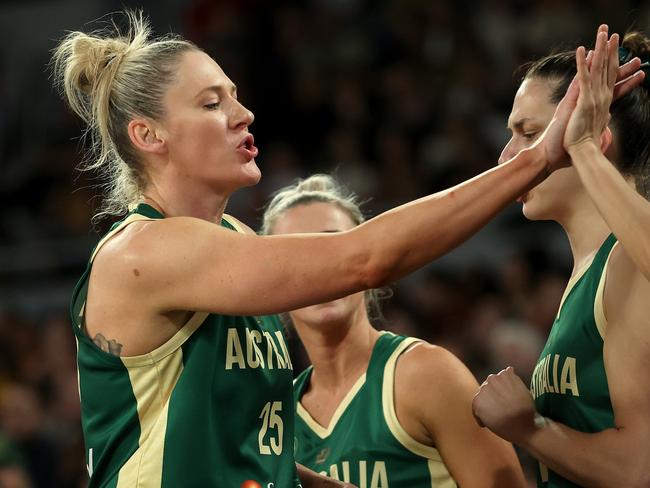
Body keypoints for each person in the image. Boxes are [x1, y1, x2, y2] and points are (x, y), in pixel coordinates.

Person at [51, 10, 639, 487]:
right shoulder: (145, 251)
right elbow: (367, 259)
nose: (243, 114)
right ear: (148, 135)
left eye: (234, 96)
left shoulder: (233, 241)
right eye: (211, 104)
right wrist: (539, 158)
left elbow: (251, 453)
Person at [262, 174, 527, 487]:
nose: (321, 270)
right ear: (273, 280)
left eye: (335, 248)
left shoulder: (426, 374)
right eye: (297, 254)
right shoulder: (277, 417)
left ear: (369, 263)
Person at [472, 27, 650, 487]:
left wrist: (527, 428)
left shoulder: (626, 263)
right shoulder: (589, 269)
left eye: (529, 133)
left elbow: (637, 469)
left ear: (595, 134)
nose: (506, 157)